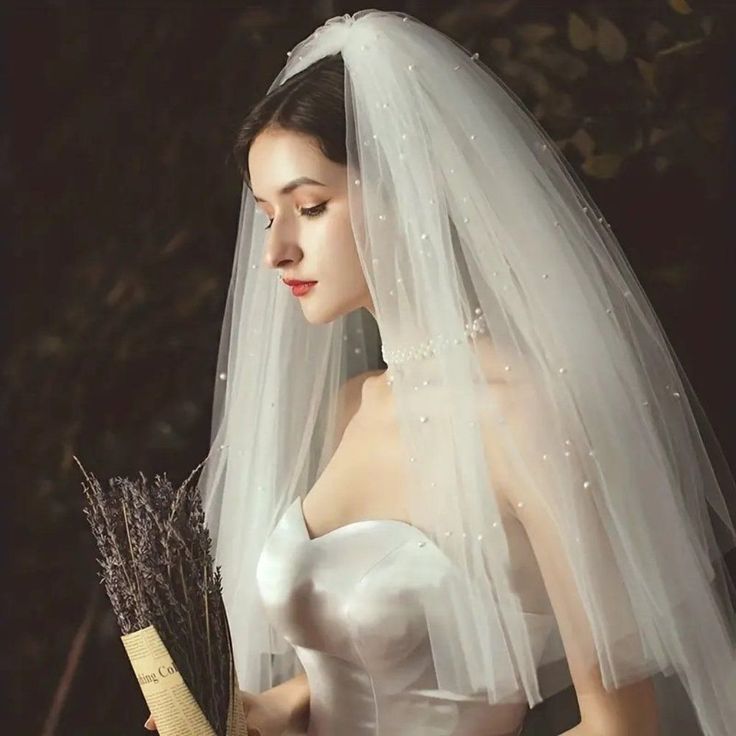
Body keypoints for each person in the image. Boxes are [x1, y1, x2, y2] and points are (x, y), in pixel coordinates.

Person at [187, 10, 736, 736]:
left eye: (310, 207)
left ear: (406, 190)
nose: (276, 252)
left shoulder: (524, 415)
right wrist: (256, 711)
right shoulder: (354, 405)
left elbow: (621, 727)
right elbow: (350, 672)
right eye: (267, 215)